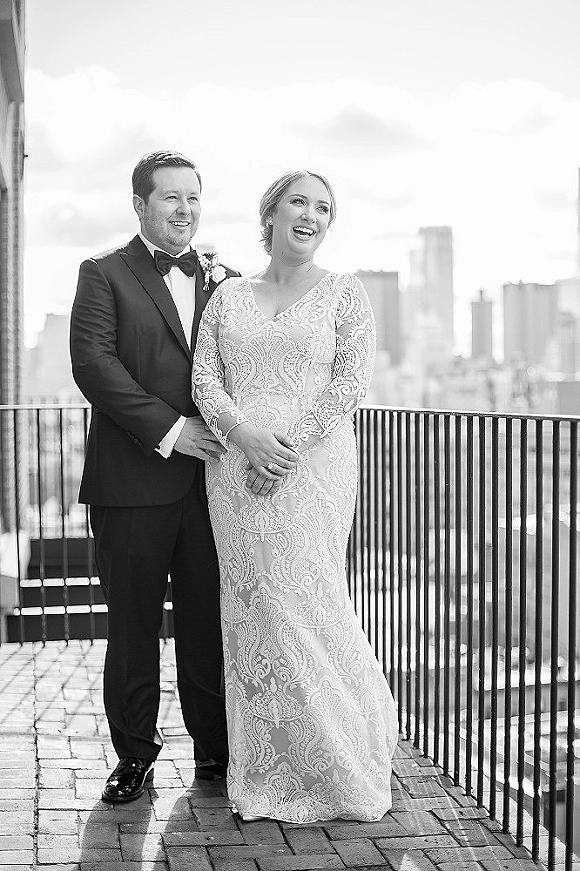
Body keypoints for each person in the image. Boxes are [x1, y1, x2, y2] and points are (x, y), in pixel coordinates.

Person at [192, 170, 399, 823]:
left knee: (309, 601)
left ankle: (342, 756)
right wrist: (243, 434)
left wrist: (287, 450)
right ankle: (270, 761)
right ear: (271, 214)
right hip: (235, 471)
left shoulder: (345, 292)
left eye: (323, 208)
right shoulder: (227, 295)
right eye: (299, 203)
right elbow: (205, 379)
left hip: (314, 469)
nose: (311, 215)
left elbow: (349, 385)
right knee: (253, 610)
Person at [69, 150, 239, 803]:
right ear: (140, 204)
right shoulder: (103, 273)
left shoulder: (227, 280)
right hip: (131, 485)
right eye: (171, 197)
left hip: (211, 485)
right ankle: (135, 756)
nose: (184, 209)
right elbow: (94, 365)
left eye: (193, 197)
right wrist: (172, 430)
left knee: (207, 624)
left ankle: (215, 751)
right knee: (133, 629)